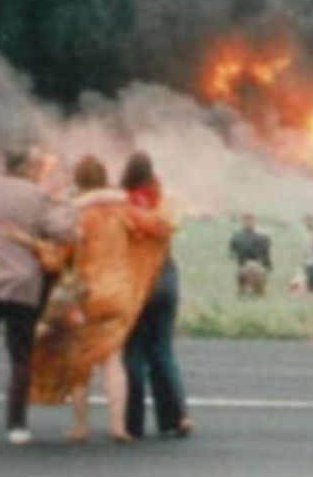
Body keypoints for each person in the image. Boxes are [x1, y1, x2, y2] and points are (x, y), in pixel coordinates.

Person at [18, 155, 172, 443]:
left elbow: (55, 258)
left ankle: (80, 426)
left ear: (78, 181)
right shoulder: (124, 209)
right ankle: (117, 426)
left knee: (81, 361)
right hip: (121, 294)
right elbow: (161, 228)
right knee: (114, 360)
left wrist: (30, 244)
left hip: (86, 295)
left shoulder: (76, 214)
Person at [0, 149, 75, 445]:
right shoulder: (37, 196)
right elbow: (63, 232)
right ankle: (16, 425)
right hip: (24, 285)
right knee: (20, 357)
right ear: (26, 167)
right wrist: (65, 203)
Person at [120, 152, 193, 439]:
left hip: (135, 283)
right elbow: (171, 225)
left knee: (133, 352)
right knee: (163, 351)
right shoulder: (165, 202)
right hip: (165, 280)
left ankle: (132, 422)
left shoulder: (121, 205)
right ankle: (176, 417)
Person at [229, 213, 272, 297]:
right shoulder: (237, 236)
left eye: (250, 220)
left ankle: (259, 292)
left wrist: (266, 266)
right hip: (243, 264)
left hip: (258, 264)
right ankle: (242, 292)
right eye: (245, 220)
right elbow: (232, 252)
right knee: (244, 272)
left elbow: (266, 254)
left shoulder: (262, 237)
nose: (248, 223)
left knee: (256, 271)